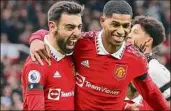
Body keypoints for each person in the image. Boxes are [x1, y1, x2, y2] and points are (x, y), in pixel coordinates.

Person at [28, 1, 170, 110]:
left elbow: (152, 94)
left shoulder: (136, 59)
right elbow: (55, 36)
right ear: (102, 21)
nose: (121, 31)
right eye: (115, 24)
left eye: (126, 26)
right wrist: (36, 38)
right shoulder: (82, 43)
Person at [21, 1, 83, 110]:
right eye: (70, 27)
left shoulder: (70, 52)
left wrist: (35, 38)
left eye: (79, 27)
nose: (77, 33)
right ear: (52, 26)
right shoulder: (37, 63)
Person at [126, 15, 170, 110]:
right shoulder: (121, 65)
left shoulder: (154, 69)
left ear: (148, 41)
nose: (129, 35)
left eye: (135, 32)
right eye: (130, 32)